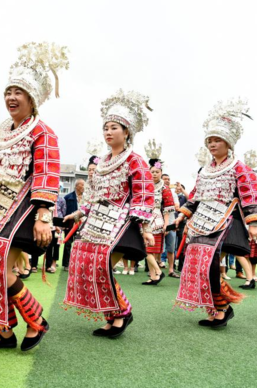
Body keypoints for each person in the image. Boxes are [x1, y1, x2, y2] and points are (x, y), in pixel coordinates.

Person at [0, 41, 66, 351]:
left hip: (20, 210)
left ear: (32, 98)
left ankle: (36, 320)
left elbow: (47, 175)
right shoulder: (3, 131)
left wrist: (44, 217)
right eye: (8, 91)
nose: (11, 97)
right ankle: (3, 331)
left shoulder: (42, 131)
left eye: (18, 92)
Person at [64, 89, 155, 338]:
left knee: (101, 267)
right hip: (95, 222)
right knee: (89, 268)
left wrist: (145, 229)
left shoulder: (135, 160)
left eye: (114, 127)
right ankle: (112, 315)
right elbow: (92, 194)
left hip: (120, 222)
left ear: (126, 132)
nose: (108, 132)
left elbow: (144, 193)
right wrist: (79, 213)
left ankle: (123, 312)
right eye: (105, 127)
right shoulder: (102, 162)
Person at [174, 98, 257, 328]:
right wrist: (183, 214)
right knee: (197, 263)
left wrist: (254, 222)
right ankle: (216, 307)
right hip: (201, 221)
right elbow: (195, 195)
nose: (212, 145)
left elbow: (250, 194)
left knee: (209, 264)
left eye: (217, 140)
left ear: (228, 143)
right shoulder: (205, 170)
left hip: (224, 221)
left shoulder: (239, 167)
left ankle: (222, 307)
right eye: (210, 141)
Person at [142, 157, 174, 285]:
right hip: (143, 217)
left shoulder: (165, 188)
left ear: (161, 173)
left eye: (157, 172)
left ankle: (157, 273)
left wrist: (166, 224)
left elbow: (167, 208)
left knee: (150, 250)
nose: (154, 174)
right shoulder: (144, 185)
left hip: (156, 219)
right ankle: (154, 276)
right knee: (146, 248)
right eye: (152, 171)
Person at [62, 178, 86, 271]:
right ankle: (66, 264)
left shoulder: (86, 198)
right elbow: (65, 211)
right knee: (68, 244)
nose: (84, 187)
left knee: (80, 245)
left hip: (83, 224)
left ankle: (77, 264)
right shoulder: (68, 197)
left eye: (84, 185)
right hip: (70, 224)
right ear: (76, 186)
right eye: (82, 185)